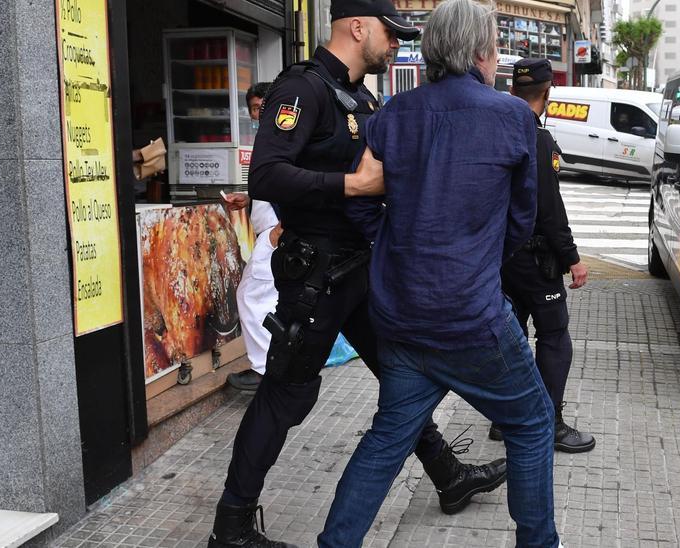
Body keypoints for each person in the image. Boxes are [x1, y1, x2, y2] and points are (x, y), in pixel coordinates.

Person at [207, 3, 507, 547]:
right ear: (358, 27)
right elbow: (268, 175)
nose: (396, 44)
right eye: (391, 34)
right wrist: (353, 187)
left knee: (405, 377)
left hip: (363, 270)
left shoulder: (362, 97)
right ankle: (231, 525)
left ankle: (448, 474)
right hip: (316, 276)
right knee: (286, 396)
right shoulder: (302, 89)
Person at [317, 1, 559, 545]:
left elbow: (359, 200)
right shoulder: (513, 116)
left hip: (400, 317)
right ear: (479, 53)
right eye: (496, 48)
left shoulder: (393, 115)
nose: (498, 60)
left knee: (386, 439)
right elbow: (523, 219)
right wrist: (474, 258)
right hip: (471, 318)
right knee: (533, 422)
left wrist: (397, 246)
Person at [486, 57, 594, 453]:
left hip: (501, 258)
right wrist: (573, 258)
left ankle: (504, 418)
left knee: (511, 336)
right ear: (548, 94)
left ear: (513, 90)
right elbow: (549, 208)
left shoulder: (497, 131)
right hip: (535, 260)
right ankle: (549, 422)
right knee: (554, 336)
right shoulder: (538, 138)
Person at [224, 82, 284, 393]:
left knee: (250, 296)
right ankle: (274, 367)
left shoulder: (282, 136)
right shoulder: (269, 136)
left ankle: (265, 372)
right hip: (271, 229)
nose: (258, 114)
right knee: (265, 300)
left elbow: (294, 182)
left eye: (261, 107)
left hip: (276, 232)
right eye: (253, 110)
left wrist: (280, 229)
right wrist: (249, 200)